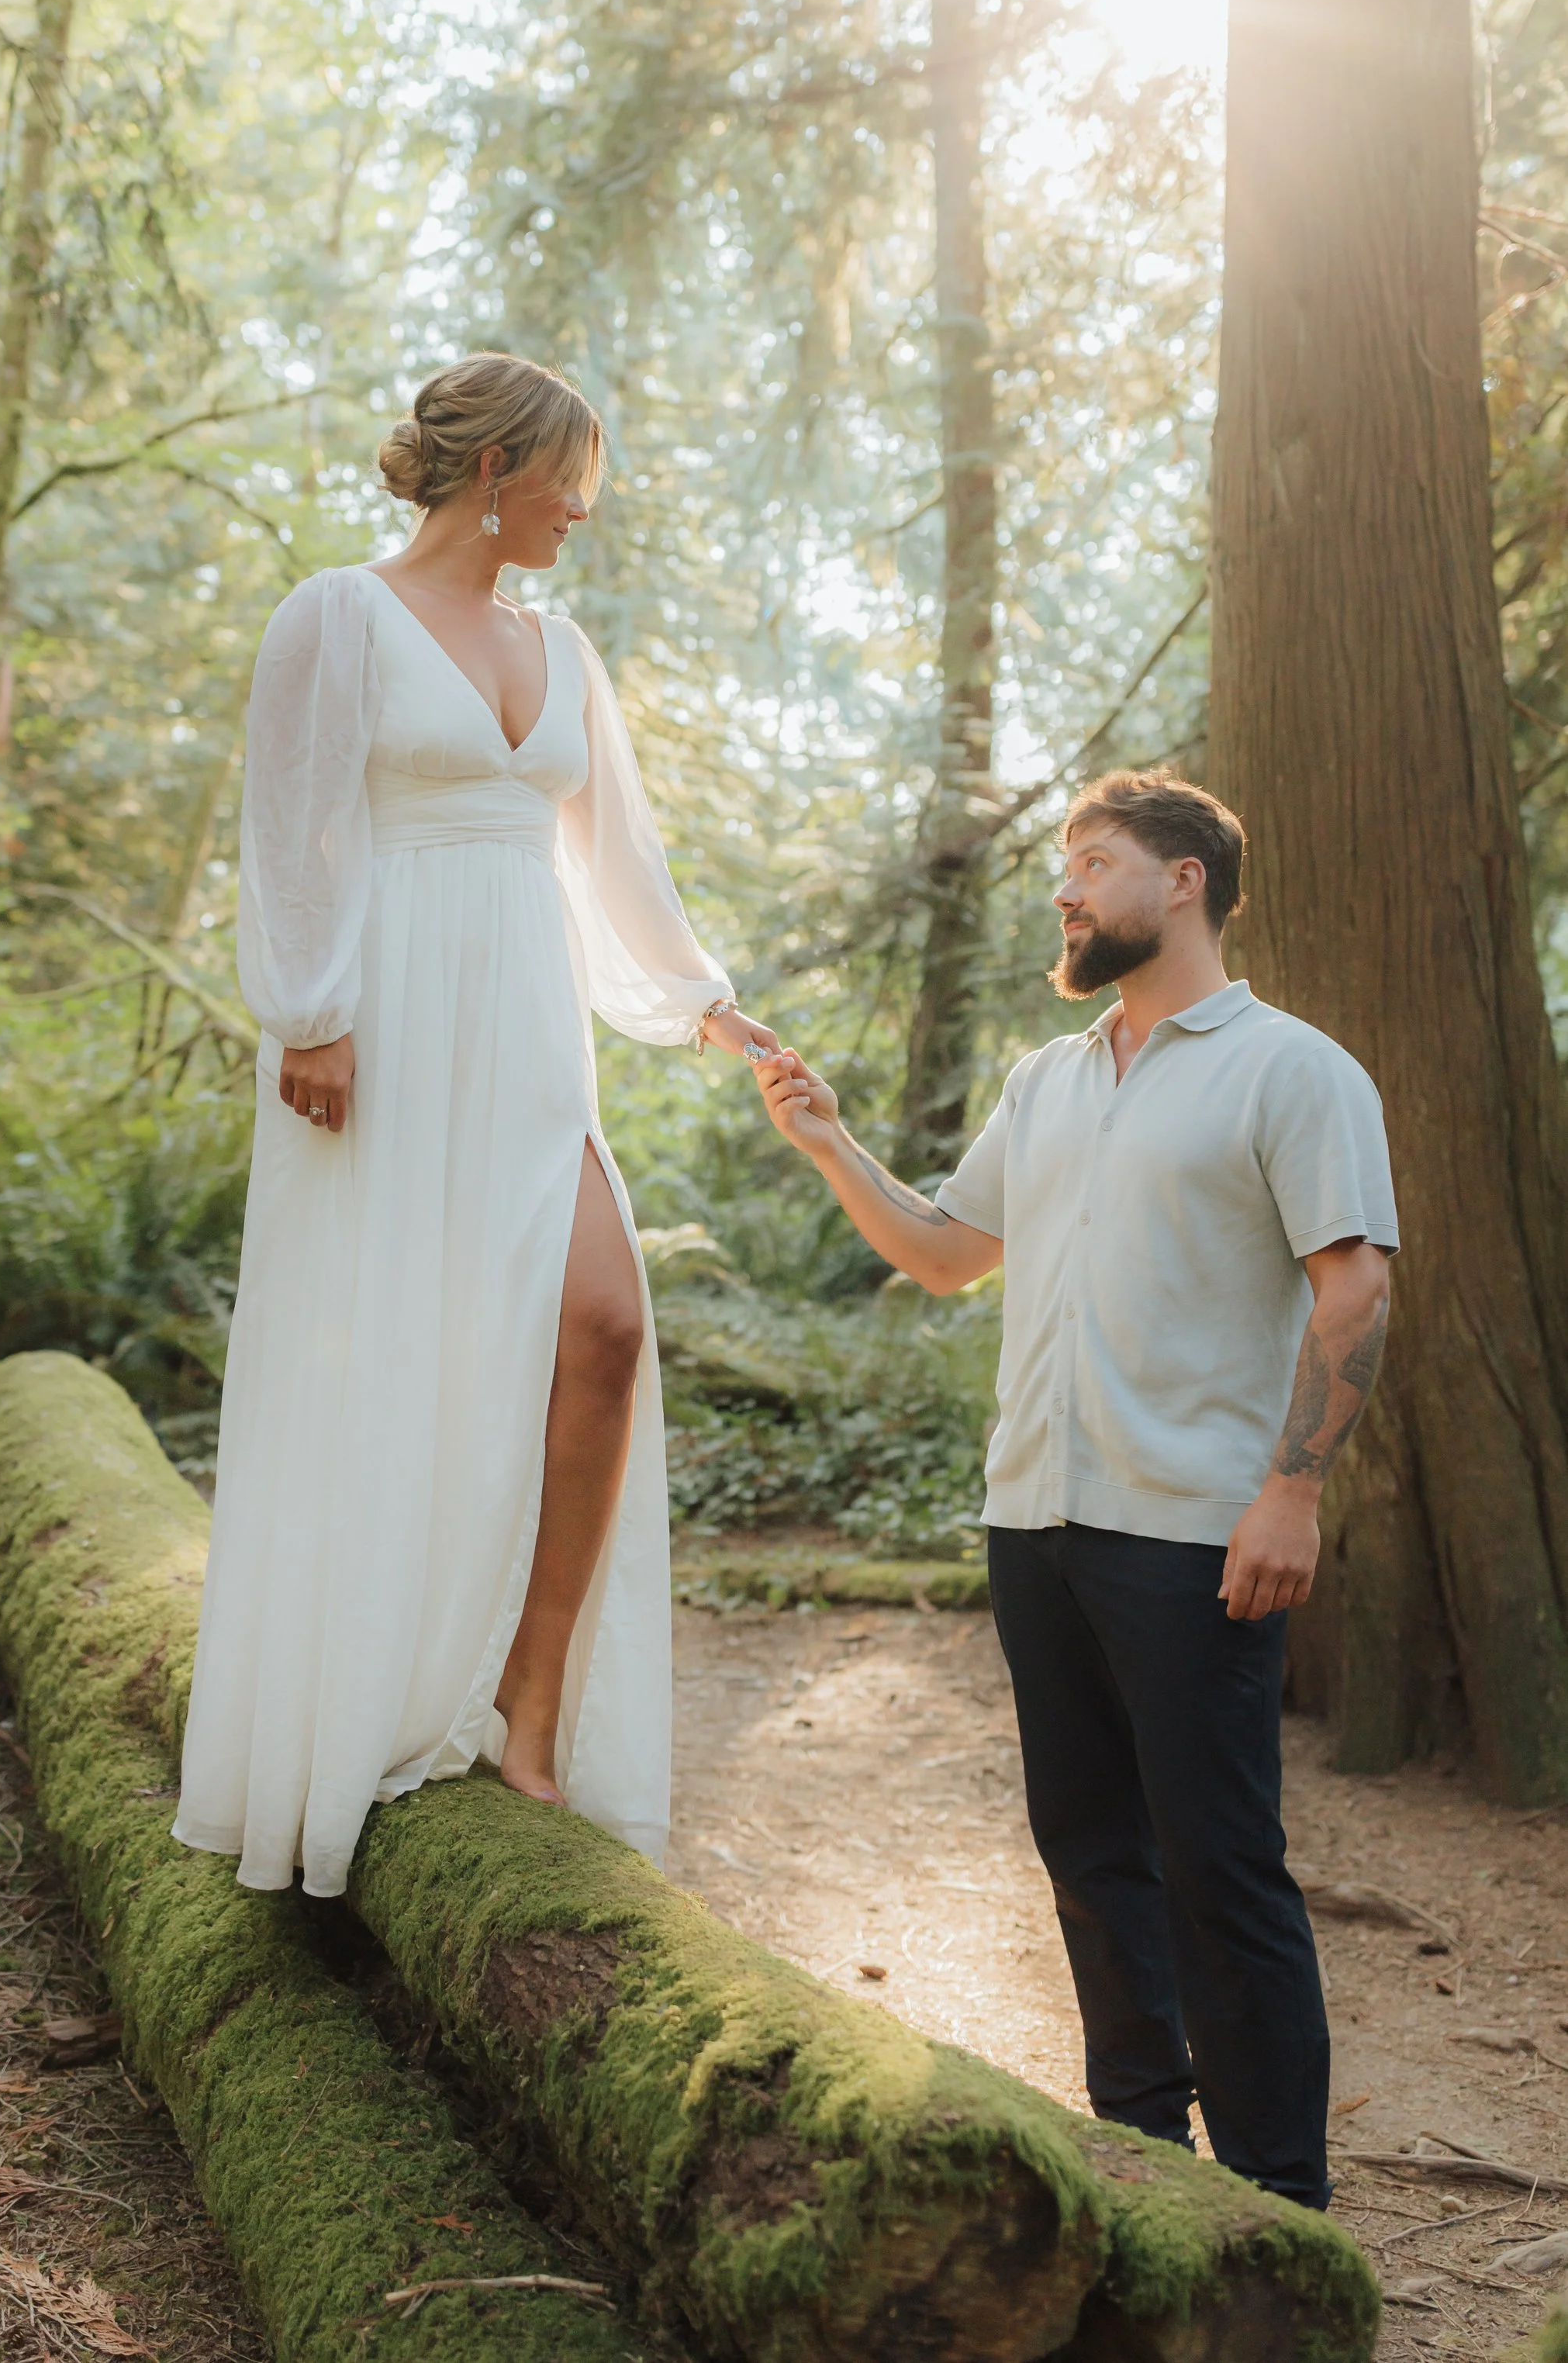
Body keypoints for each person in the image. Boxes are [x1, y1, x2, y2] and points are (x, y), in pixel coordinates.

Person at [173, 354, 775, 1898]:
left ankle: (528, 1693)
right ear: (498, 463)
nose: (582, 507)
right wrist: (308, 1012)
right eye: (570, 474)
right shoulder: (338, 614)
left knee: (601, 1323)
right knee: (392, 1350)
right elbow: (289, 823)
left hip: (524, 1039)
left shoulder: (560, 647)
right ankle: (356, 1705)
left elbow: (615, 864)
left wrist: (700, 1000)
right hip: (378, 1028)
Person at [751, 769, 1395, 2211]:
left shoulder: (1293, 1070)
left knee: (1219, 1868)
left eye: (1091, 861)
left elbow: (1354, 1289)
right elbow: (942, 1252)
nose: (1065, 887)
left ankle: (1282, 2207)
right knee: (1092, 1855)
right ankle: (1143, 2162)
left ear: (1182, 881)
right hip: (1035, 1525)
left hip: (1192, 1536)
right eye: (1063, 865)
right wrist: (828, 1139)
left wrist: (1291, 1494)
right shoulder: (1045, 1078)